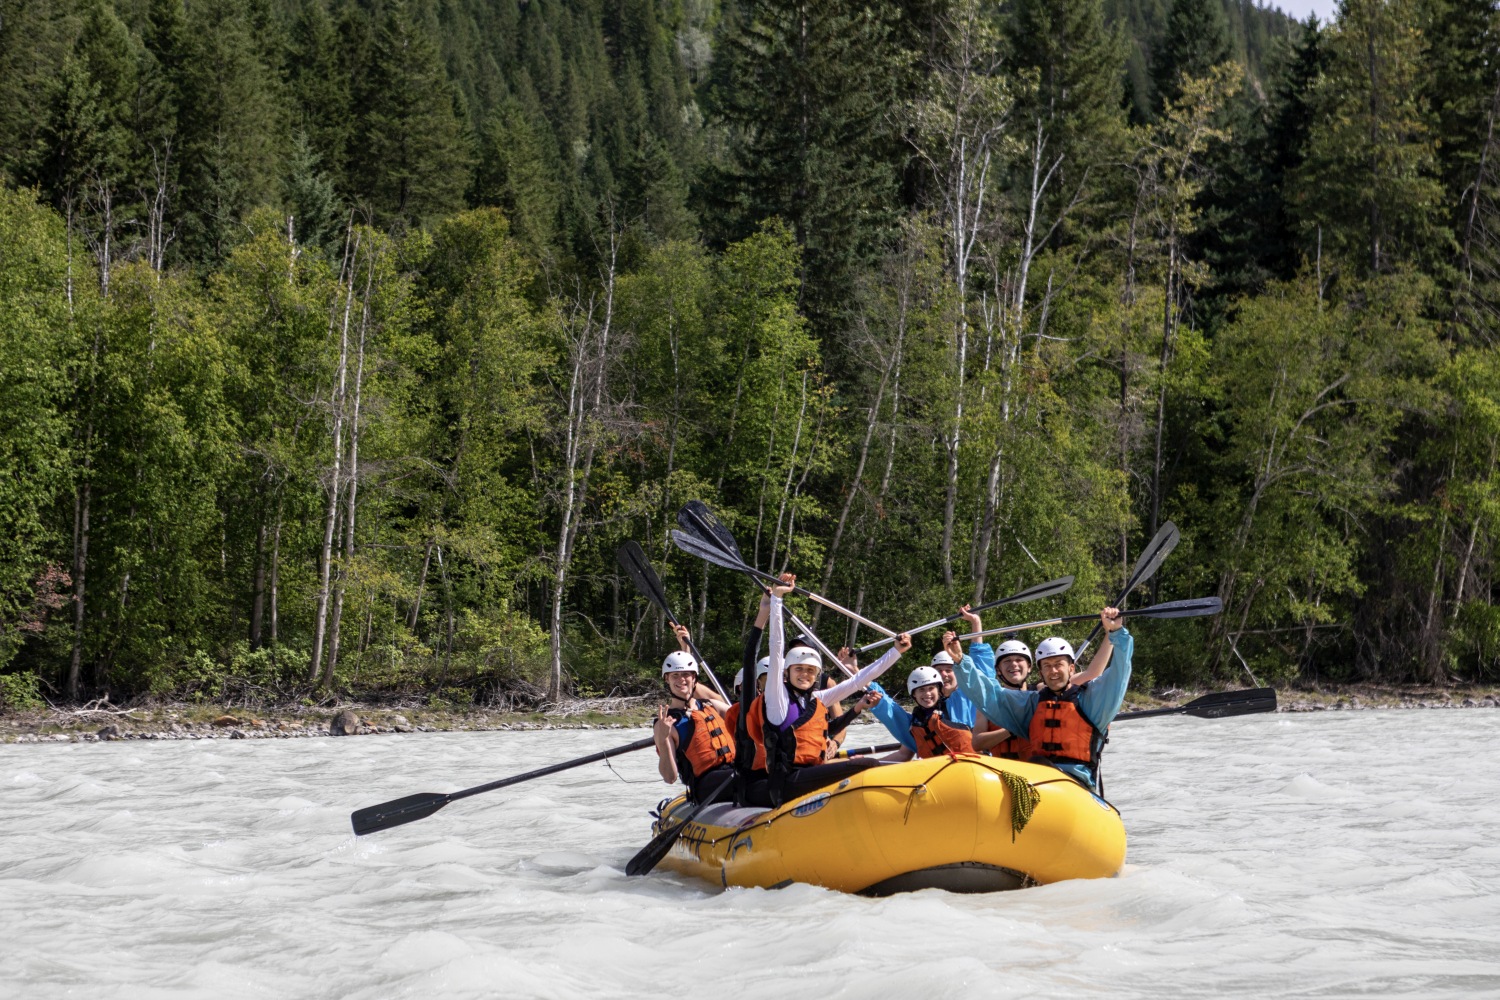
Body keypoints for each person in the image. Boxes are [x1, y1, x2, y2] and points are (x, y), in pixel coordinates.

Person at [745, 574, 912, 807]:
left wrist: (895, 652)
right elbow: (776, 647)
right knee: (865, 765)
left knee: (861, 762)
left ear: (817, 675)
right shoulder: (777, 699)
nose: (805, 675)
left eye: (811, 671)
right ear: (787, 672)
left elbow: (859, 680)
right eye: (799, 669)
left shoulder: (818, 697)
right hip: (786, 783)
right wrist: (778, 600)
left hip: (810, 775)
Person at [954, 607, 1131, 795]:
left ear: (1071, 668)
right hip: (1038, 782)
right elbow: (988, 694)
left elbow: (1119, 673)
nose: (1053, 671)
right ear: (1040, 672)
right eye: (1047, 666)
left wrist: (1115, 633)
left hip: (1076, 786)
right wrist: (960, 661)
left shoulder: (1092, 701)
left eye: (1058, 665)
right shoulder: (1031, 704)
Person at [862, 604, 993, 755]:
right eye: (939, 671)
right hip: (937, 772)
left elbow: (982, 669)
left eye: (949, 670)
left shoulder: (969, 697)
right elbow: (890, 710)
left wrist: (975, 623)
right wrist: (855, 672)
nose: (944, 674)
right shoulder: (920, 718)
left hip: (972, 766)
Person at [651, 632, 737, 804]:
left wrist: (686, 649)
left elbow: (743, 715)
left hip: (733, 771)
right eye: (675, 675)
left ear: (694, 678)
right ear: (666, 679)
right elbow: (669, 777)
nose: (681, 680)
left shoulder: (711, 705)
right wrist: (662, 739)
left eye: (686, 675)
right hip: (707, 784)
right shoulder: (666, 723)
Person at [877, 665, 977, 761]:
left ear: (939, 690)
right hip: (936, 772)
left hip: (970, 767)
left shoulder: (955, 707)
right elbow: (890, 709)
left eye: (931, 688)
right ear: (914, 695)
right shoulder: (915, 722)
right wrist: (869, 686)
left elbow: (976, 675)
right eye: (921, 690)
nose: (927, 694)